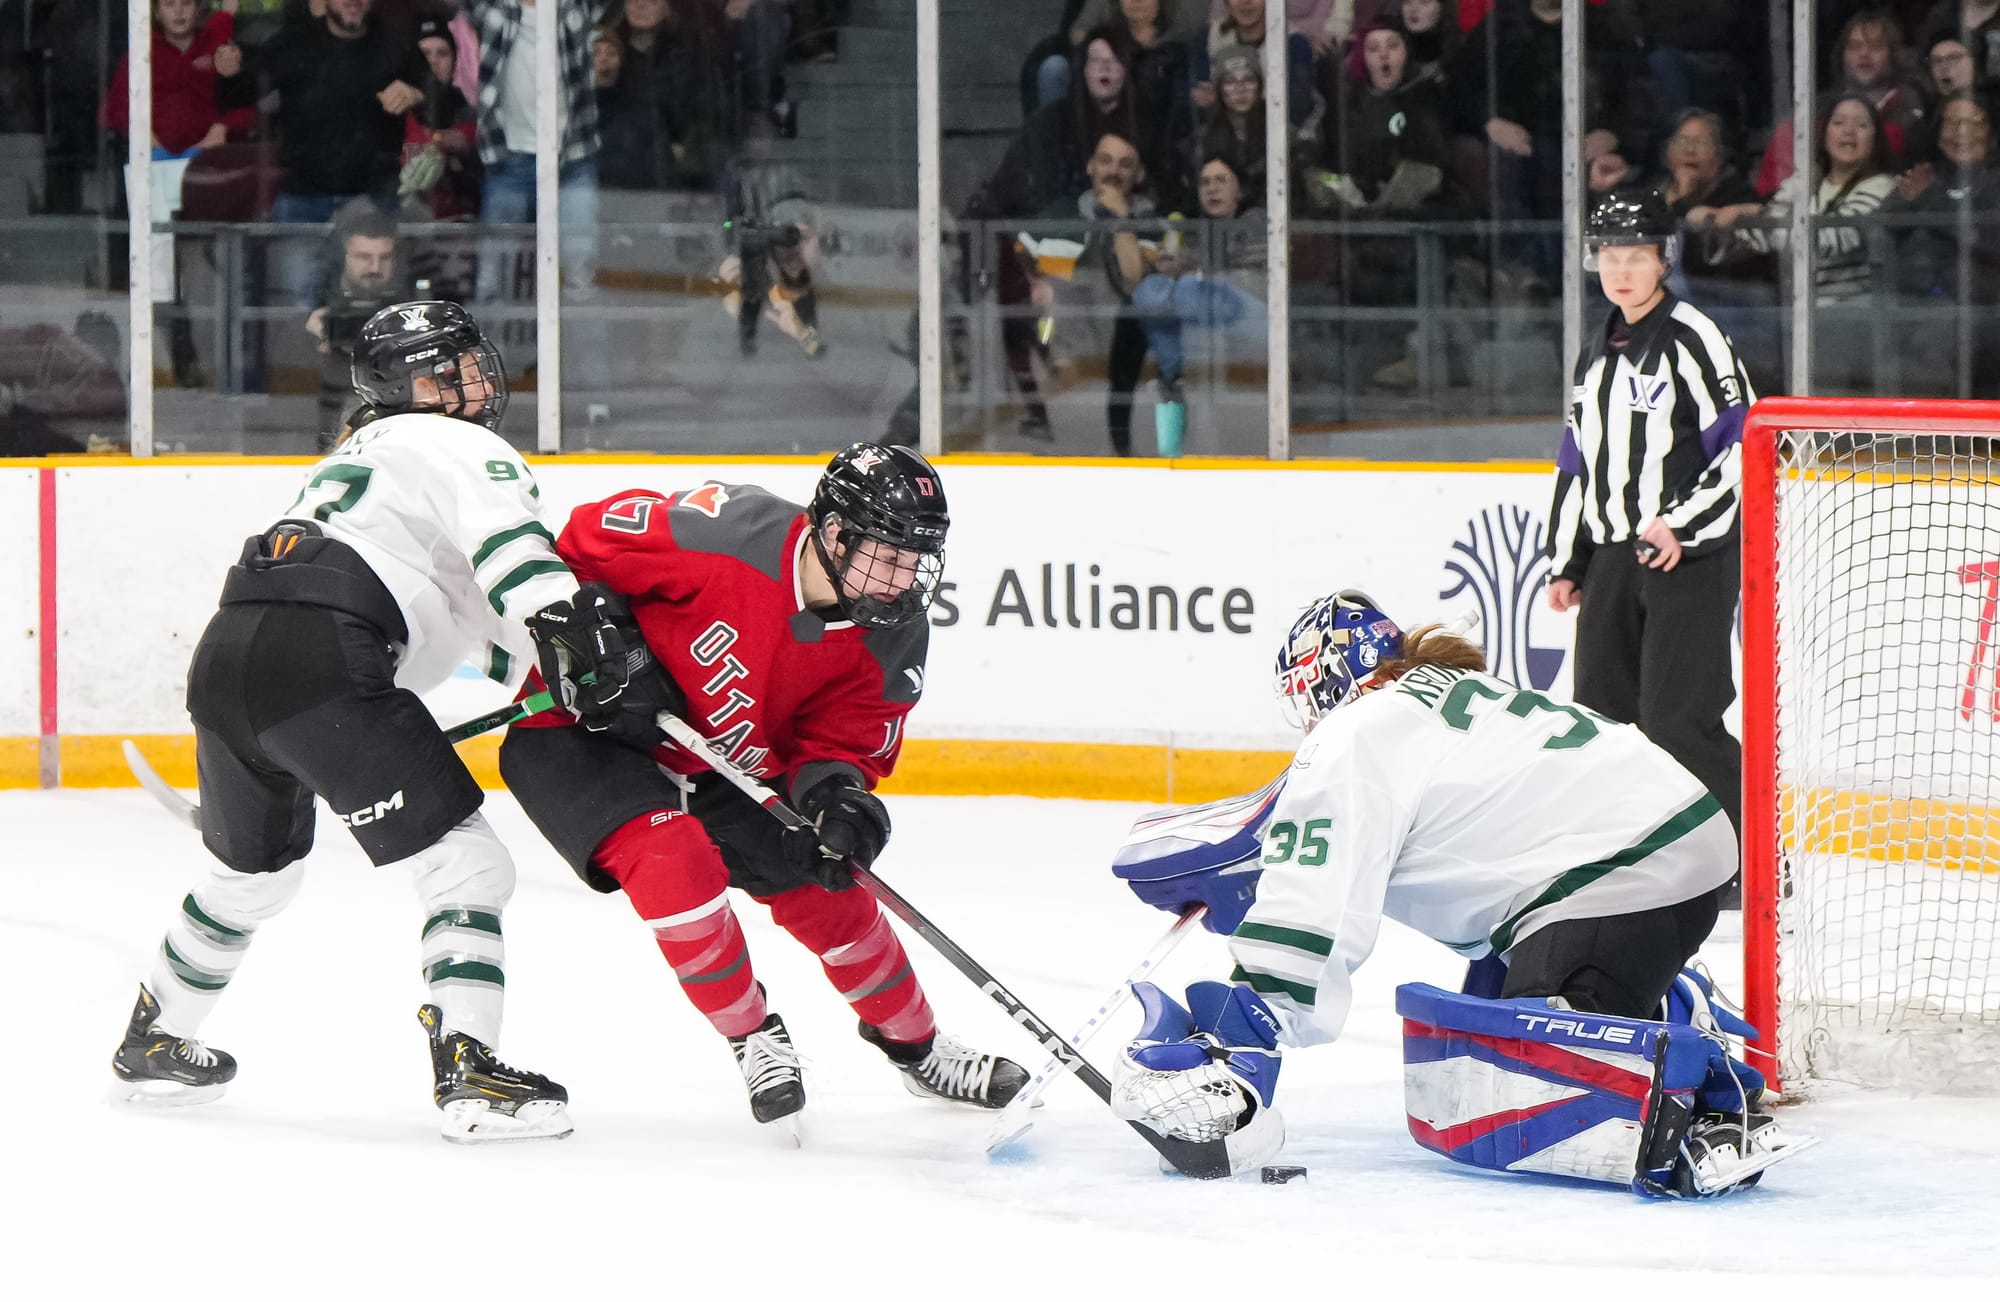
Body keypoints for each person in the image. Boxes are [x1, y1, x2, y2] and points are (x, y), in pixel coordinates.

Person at [109, 300, 639, 1143]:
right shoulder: (461, 444)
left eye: (469, 363)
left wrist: (551, 665)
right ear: (400, 387)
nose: (469, 381)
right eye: (444, 370)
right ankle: (469, 1074)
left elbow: (473, 615)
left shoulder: (357, 461)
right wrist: (574, 627)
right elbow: (513, 557)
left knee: (254, 876)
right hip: (324, 654)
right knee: (467, 864)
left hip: (230, 653)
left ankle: (154, 1034)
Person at [1104, 589, 1801, 1195]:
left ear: (1320, 683)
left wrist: (1243, 1036)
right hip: (1674, 847)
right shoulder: (1439, 699)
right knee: (1479, 1028)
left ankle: (1680, 1071)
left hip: (1617, 875)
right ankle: (1656, 999)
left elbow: (1315, 903)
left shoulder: (1358, 731)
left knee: (1513, 1090)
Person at [497, 445, 1029, 1131]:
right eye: (889, 556)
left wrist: (836, 799)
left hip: (721, 759)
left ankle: (919, 1049)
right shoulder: (724, 533)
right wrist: (611, 643)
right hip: (580, 730)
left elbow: (840, 742)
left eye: (917, 560)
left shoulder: (891, 631)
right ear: (835, 534)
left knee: (830, 889)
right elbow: (581, 543)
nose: (905, 579)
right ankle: (752, 1034)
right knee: (673, 862)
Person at [1546, 190, 1753, 868]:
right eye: (1610, 255)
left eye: (1636, 255)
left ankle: (1751, 860)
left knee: (1678, 722)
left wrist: (1682, 526)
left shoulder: (1694, 335)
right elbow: (1578, 464)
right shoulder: (1594, 355)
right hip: (1614, 556)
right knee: (1599, 722)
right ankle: (1625, 859)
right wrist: (1568, 561)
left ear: (1663, 259)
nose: (1622, 269)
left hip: (1688, 558)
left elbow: (1744, 445)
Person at [306, 202, 406, 446]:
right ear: (345, 256)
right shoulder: (313, 303)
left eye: (384, 258)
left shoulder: (410, 303)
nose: (374, 268)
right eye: (364, 257)